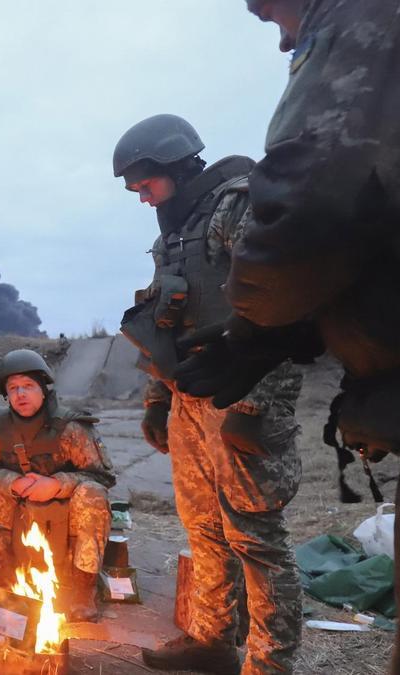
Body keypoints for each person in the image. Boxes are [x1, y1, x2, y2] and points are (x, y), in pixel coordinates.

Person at [175, 2, 400, 672]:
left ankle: (268, 657)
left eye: (274, 20)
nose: (281, 43)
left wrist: (258, 325)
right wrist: (280, 326)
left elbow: (323, 191)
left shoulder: (387, 9)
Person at [114, 114, 304, 674]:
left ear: (174, 167)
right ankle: (212, 639)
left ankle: (269, 663)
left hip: (243, 396)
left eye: (145, 185)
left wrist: (257, 404)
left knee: (256, 536)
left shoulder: (236, 208)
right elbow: (162, 324)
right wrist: (157, 397)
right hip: (190, 402)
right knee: (203, 529)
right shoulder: (170, 238)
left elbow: (278, 308)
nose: (142, 198)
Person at [0, 349, 115, 621]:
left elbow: (102, 478)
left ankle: (82, 590)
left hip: (65, 508)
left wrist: (57, 484)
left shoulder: (72, 428)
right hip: (16, 504)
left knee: (94, 495)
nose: (21, 394)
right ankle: (2, 580)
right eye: (14, 388)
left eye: (28, 386)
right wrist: (13, 482)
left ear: (43, 389)